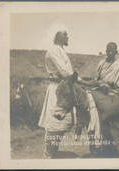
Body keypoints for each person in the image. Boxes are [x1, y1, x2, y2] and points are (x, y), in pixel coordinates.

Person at [38, 31, 86, 159]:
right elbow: (64, 72)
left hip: (65, 89)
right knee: (54, 124)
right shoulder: (54, 51)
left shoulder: (60, 50)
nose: (67, 37)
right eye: (65, 35)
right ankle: (47, 156)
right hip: (58, 90)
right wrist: (81, 81)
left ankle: (54, 153)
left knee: (61, 125)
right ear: (57, 36)